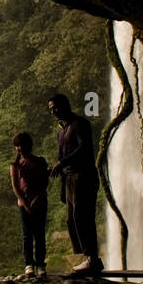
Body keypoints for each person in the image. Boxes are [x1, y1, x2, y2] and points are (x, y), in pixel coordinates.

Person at [47, 94, 104, 274]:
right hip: (70, 178)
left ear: (66, 105)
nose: (54, 111)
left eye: (56, 107)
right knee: (72, 220)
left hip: (84, 176)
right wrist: (61, 181)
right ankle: (85, 257)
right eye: (51, 109)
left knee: (83, 216)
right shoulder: (60, 130)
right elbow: (61, 156)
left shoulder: (80, 124)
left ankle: (92, 258)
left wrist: (61, 164)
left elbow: (84, 148)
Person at [10, 132, 49, 278]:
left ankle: (40, 265)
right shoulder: (15, 166)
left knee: (39, 234)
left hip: (40, 202)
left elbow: (44, 183)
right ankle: (28, 264)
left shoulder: (40, 161)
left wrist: (36, 199)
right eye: (17, 146)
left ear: (29, 146)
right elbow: (16, 187)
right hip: (23, 204)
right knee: (27, 235)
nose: (19, 148)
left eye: (22, 145)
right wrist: (26, 204)